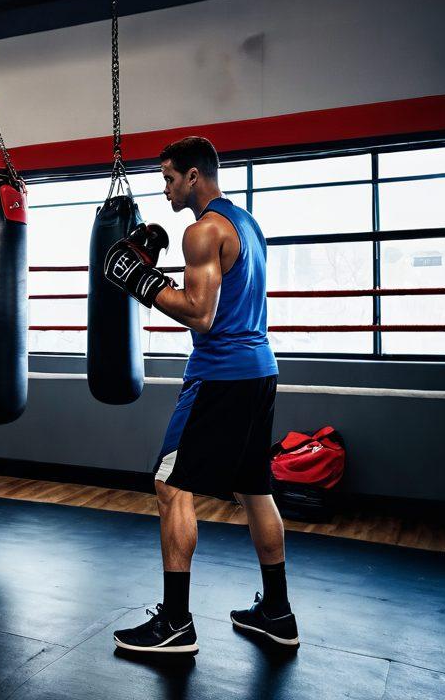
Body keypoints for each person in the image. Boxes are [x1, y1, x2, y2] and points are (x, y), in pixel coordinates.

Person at [104, 136, 297, 654]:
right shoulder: (246, 225)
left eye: (169, 178)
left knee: (170, 485)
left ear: (194, 176)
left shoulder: (201, 230)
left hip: (220, 376)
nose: (165, 189)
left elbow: (201, 313)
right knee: (255, 488)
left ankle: (175, 623)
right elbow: (223, 297)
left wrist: (141, 281)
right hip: (260, 371)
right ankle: (278, 613)